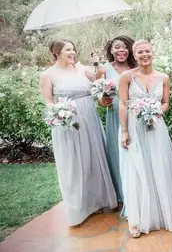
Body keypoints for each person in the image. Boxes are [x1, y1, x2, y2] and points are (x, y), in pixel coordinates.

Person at [39, 39, 117, 226]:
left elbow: (100, 83)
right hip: (68, 122)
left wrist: (98, 63)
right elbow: (48, 101)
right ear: (57, 52)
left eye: (73, 49)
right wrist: (59, 113)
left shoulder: (82, 69)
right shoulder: (48, 75)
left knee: (93, 158)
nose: (72, 52)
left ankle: (98, 200)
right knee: (75, 162)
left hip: (89, 118)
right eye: (68, 49)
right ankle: (79, 207)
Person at [118, 40, 172, 237]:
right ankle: (136, 220)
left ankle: (160, 214)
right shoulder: (127, 76)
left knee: (157, 166)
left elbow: (166, 103)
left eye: (147, 51)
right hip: (133, 127)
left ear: (152, 52)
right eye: (140, 52)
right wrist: (124, 130)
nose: (144, 55)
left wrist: (156, 111)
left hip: (156, 127)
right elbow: (123, 105)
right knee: (137, 169)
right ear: (135, 54)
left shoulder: (163, 77)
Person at [96, 35, 137, 212]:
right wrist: (101, 100)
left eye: (124, 47)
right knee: (117, 154)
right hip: (114, 116)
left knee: (135, 152)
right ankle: (122, 194)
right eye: (117, 47)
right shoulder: (104, 69)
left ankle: (137, 191)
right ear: (111, 50)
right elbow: (98, 93)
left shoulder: (136, 68)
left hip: (135, 115)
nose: (121, 50)